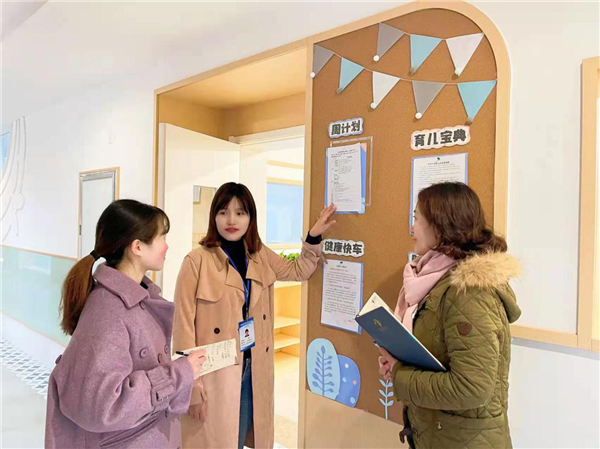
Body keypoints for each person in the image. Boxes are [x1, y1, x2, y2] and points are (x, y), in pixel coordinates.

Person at [173, 182, 336, 449]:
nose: (231, 220)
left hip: (253, 368)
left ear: (251, 218)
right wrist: (191, 385)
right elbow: (182, 326)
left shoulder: (260, 254)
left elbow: (298, 270)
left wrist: (313, 237)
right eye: (224, 212)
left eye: (240, 213)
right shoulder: (196, 261)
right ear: (214, 216)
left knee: (242, 438)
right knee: (217, 441)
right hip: (215, 374)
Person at [45, 199, 206, 449]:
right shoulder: (108, 310)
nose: (166, 246)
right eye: (162, 237)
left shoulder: (137, 299)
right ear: (138, 247)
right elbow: (103, 405)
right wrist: (179, 373)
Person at [378, 182, 522, 449]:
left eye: (416, 218)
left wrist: (400, 375)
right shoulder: (437, 281)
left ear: (440, 225)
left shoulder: (470, 292)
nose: (411, 228)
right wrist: (399, 365)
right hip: (441, 434)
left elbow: (471, 388)